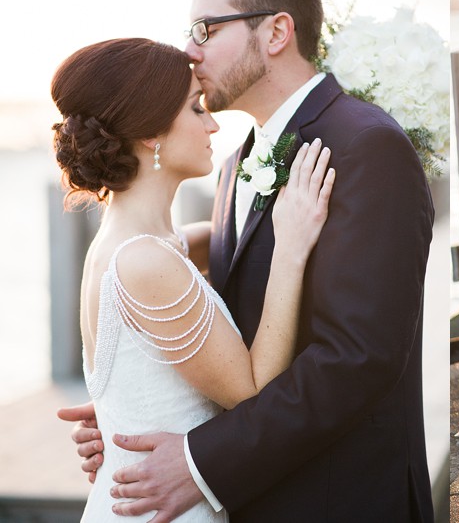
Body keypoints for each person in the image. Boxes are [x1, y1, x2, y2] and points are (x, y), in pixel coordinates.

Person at [60, 0, 436, 522]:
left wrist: (201, 461)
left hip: (337, 501)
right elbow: (220, 288)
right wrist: (130, 404)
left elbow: (359, 357)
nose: (189, 49)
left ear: (277, 31)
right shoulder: (237, 161)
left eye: (206, 29)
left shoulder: (365, 146)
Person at [51, 37, 335, 522]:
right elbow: (252, 391)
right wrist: (289, 248)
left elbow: (205, 241)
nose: (213, 123)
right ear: (150, 133)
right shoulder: (144, 261)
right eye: (195, 108)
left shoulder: (135, 241)